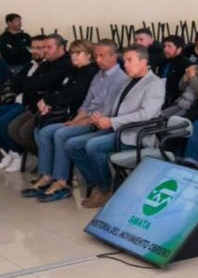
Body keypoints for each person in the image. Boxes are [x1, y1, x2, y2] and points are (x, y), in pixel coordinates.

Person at [25, 41, 127, 202]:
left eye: (102, 56)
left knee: (61, 134)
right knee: (45, 131)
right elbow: (87, 103)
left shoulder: (120, 78)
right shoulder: (98, 75)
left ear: (114, 56)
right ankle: (46, 176)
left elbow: (106, 111)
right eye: (97, 56)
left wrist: (78, 123)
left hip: (98, 123)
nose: (98, 60)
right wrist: (75, 120)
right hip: (85, 118)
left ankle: (61, 182)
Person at [66, 47, 164, 208]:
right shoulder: (127, 80)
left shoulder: (155, 84)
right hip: (116, 128)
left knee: (93, 146)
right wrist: (103, 118)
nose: (125, 64)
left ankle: (104, 190)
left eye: (129, 60)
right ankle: (96, 183)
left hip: (134, 134)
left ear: (144, 62)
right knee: (72, 145)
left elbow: (146, 114)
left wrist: (112, 122)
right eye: (124, 60)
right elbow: (116, 106)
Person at [20, 40, 100, 199]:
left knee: (56, 133)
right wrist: (49, 101)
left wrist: (49, 101)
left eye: (78, 53)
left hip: (84, 117)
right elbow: (62, 91)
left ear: (89, 55)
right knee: (41, 131)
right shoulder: (75, 70)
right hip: (69, 113)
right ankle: (47, 175)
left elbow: (73, 95)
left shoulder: (90, 72)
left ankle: (62, 182)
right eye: (72, 53)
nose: (74, 57)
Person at [0, 34, 73, 167]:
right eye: (44, 47)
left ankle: (47, 161)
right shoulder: (46, 63)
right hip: (34, 105)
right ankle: (41, 158)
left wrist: (31, 83)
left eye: (49, 47)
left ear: (61, 48)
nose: (46, 50)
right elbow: (21, 82)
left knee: (24, 132)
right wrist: (31, 83)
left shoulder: (65, 64)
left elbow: (43, 83)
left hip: (54, 109)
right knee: (13, 128)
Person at [0, 34, 46, 169]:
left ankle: (18, 153)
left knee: (2, 122)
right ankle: (9, 151)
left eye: (40, 48)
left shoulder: (47, 66)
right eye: (33, 48)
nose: (35, 51)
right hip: (17, 99)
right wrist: (25, 83)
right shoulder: (30, 64)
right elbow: (14, 83)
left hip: (28, 103)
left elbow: (34, 85)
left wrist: (25, 84)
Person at [157, 35, 190, 106]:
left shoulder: (186, 65)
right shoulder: (163, 62)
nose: (165, 49)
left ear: (179, 49)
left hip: (173, 99)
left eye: (169, 46)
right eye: (164, 46)